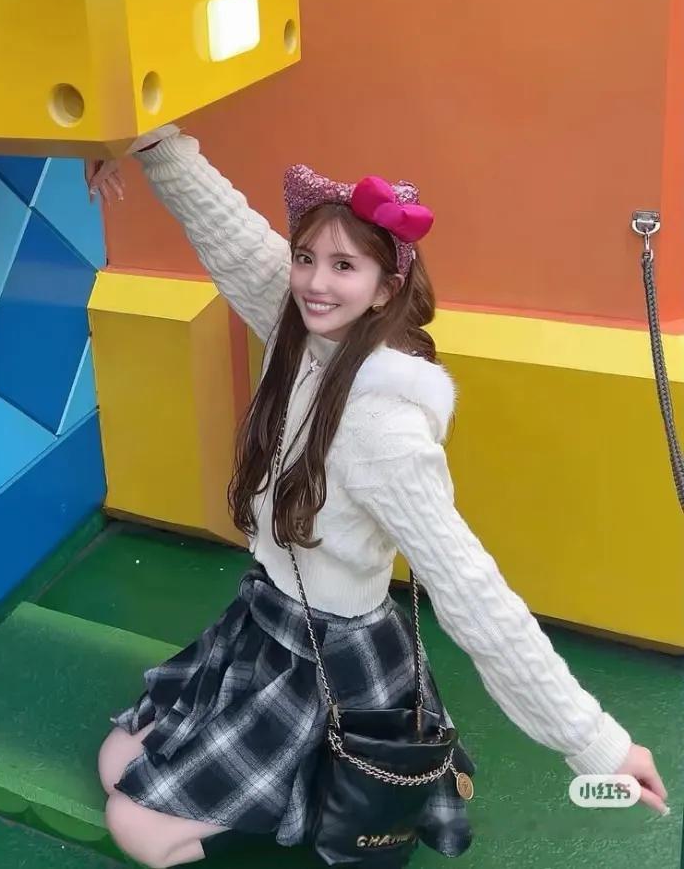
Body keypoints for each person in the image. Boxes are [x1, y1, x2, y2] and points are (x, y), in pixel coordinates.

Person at [85, 124, 669, 867]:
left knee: (135, 827)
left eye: (344, 266)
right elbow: (228, 232)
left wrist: (598, 744)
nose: (314, 282)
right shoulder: (301, 330)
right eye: (306, 258)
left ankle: (299, 806)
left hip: (331, 662)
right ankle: (272, 787)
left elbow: (475, 594)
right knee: (115, 761)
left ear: (386, 288)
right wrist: (144, 140)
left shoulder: (386, 430)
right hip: (264, 622)